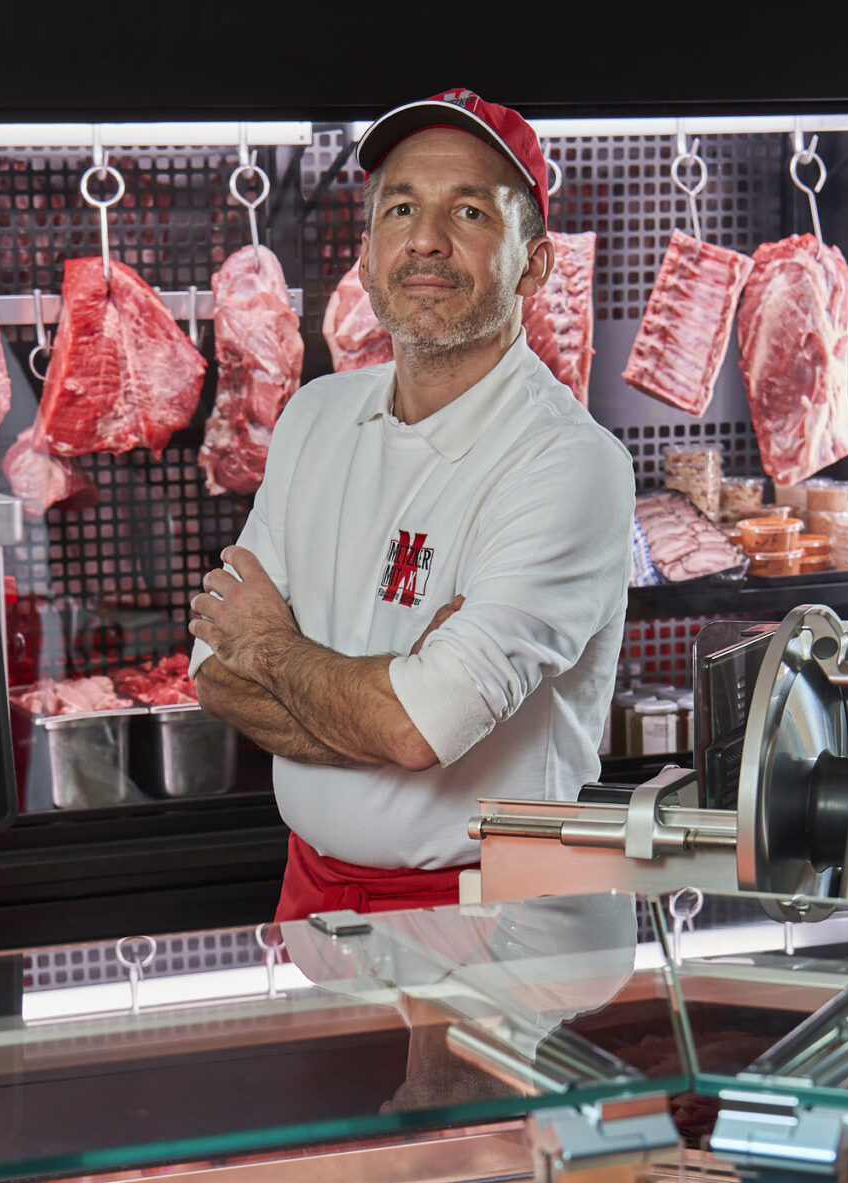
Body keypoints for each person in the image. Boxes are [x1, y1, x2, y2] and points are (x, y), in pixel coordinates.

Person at [188, 89, 635, 922]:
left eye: (469, 211)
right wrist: (391, 707)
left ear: (534, 265)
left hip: (498, 916)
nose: (426, 240)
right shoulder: (317, 415)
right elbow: (214, 672)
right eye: (401, 208)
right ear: (365, 254)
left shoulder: (568, 464)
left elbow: (412, 731)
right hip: (314, 897)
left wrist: (274, 646)